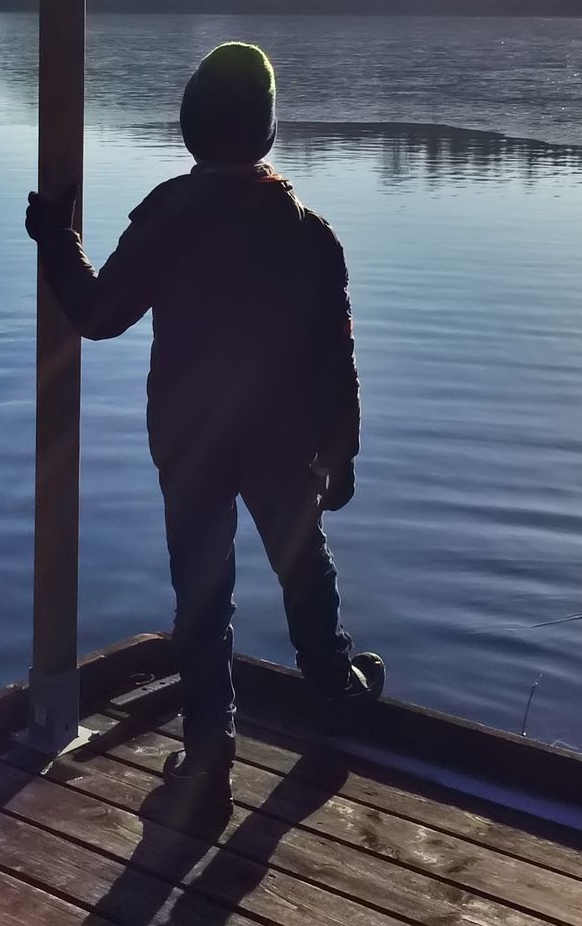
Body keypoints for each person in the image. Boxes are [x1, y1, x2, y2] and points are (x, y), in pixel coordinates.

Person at [25, 41, 382, 811]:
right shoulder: (308, 232)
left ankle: (210, 755)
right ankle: (335, 686)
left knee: (203, 591)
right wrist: (342, 453)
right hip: (284, 437)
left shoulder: (170, 215)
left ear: (191, 128)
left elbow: (96, 314)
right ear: (268, 132)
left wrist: (56, 238)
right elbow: (334, 358)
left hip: (189, 437)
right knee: (302, 561)